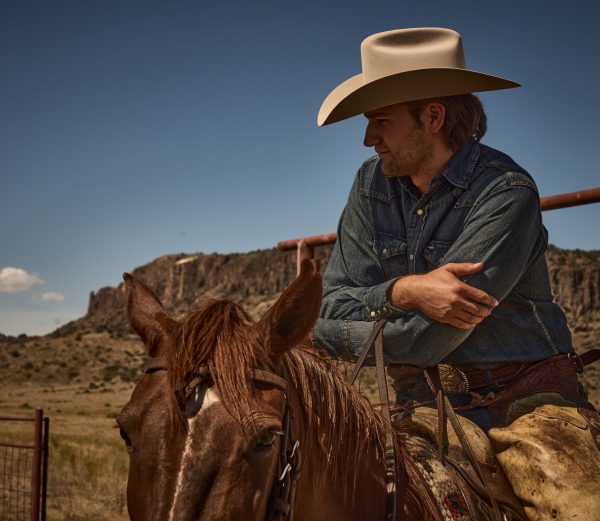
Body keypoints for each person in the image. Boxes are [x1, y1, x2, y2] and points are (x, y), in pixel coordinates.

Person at [310, 28, 597, 432]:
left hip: (522, 402)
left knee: (564, 479)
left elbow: (424, 340)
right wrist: (405, 290)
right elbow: (330, 302)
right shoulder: (370, 184)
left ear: (433, 117)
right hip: (419, 402)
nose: (368, 138)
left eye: (381, 120)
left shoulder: (505, 192)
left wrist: (312, 334)